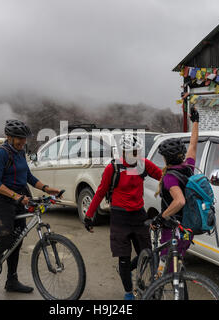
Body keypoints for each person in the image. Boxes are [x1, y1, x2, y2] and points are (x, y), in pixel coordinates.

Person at [0, 120, 62, 292]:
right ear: (9, 137)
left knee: (17, 241)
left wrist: (47, 188)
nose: (22, 141)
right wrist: (17, 197)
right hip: (3, 202)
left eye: (24, 138)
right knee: (5, 240)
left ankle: (11, 281)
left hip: (19, 201)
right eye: (19, 138)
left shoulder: (20, 153)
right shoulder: (2, 153)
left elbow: (28, 176)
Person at [83, 133, 162, 300]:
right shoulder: (113, 168)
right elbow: (100, 192)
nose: (137, 155)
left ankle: (132, 274)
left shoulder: (143, 164)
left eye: (138, 151)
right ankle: (128, 292)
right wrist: (89, 216)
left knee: (147, 254)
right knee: (124, 258)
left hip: (139, 216)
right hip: (120, 217)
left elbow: (163, 176)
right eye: (133, 152)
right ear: (124, 152)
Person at [152, 107, 200, 270]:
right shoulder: (188, 168)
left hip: (172, 228)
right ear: (181, 155)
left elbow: (179, 201)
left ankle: (159, 290)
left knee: (166, 267)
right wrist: (195, 122)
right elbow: (193, 146)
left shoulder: (170, 176)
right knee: (178, 262)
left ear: (165, 158)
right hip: (187, 229)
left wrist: (161, 217)